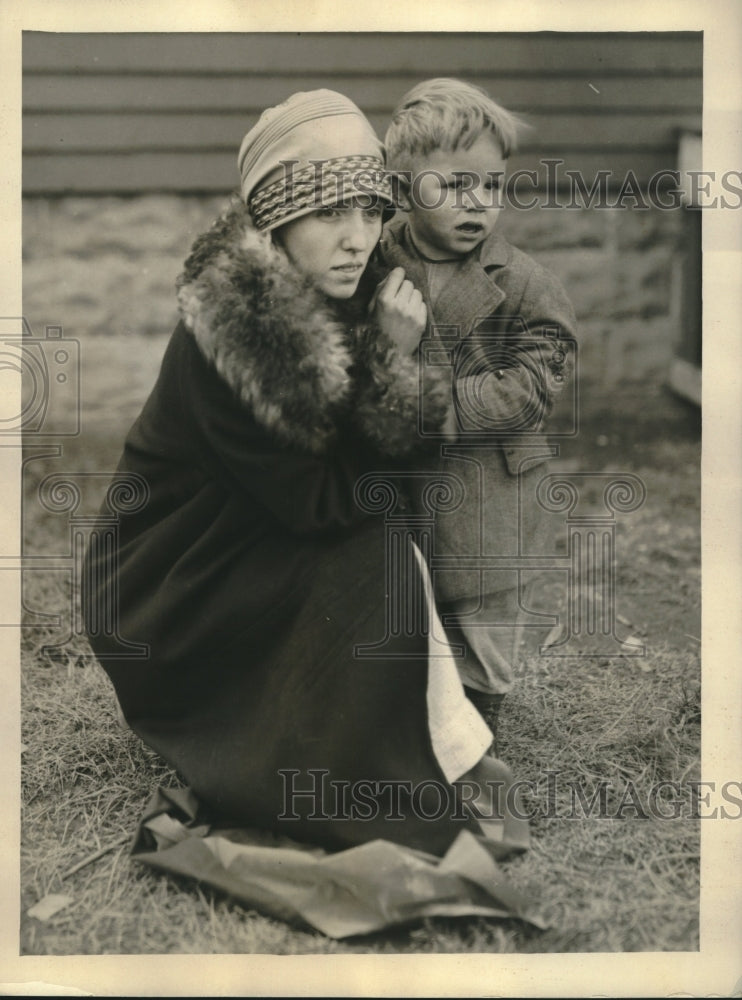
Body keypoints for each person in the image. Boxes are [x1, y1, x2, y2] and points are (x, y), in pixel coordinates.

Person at [81, 89, 529, 859]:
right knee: (369, 557)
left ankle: (439, 745)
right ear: (277, 224)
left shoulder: (352, 289)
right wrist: (391, 359)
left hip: (247, 529)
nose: (357, 239)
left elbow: (366, 466)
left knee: (389, 533)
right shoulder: (240, 337)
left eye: (369, 210)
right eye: (330, 216)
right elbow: (323, 504)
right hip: (163, 590)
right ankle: (397, 758)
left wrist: (391, 365)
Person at [380, 78, 578, 745]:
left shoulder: (520, 280)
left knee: (485, 618)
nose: (479, 203)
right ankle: (422, 729)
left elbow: (539, 376)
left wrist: (431, 401)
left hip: (491, 486)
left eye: (491, 186)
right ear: (405, 190)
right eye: (456, 184)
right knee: (412, 606)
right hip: (404, 484)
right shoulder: (376, 265)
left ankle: (481, 732)